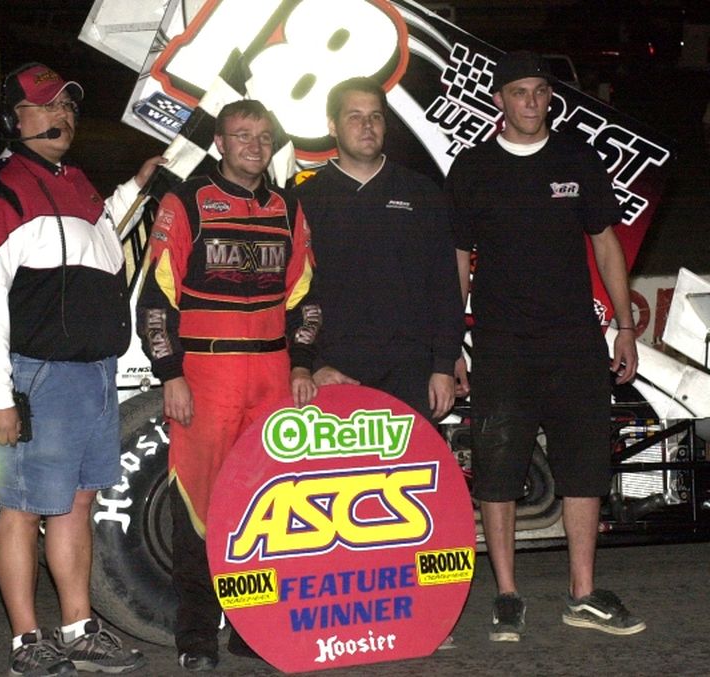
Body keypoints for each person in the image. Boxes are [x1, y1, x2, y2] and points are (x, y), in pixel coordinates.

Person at [0, 62, 160, 676]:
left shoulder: (78, 181)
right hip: (36, 377)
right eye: (44, 107)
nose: (61, 117)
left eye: (67, 107)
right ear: (11, 119)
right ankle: (28, 641)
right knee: (21, 508)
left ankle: (78, 629)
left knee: (75, 504)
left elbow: (100, 235)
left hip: (95, 372)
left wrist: (138, 186)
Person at [444, 51, 646, 642]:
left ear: (548, 99)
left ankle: (583, 593)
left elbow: (606, 243)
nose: (531, 101)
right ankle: (507, 595)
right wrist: (451, 340)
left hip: (576, 343)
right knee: (497, 471)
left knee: (584, 466)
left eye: (539, 92)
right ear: (499, 100)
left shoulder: (577, 159)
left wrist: (625, 327)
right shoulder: (473, 168)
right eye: (519, 92)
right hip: (502, 345)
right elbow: (457, 257)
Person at [135, 99, 320, 672]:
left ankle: (251, 626)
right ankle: (196, 635)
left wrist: (303, 364)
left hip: (271, 374)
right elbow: (156, 301)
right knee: (198, 504)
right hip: (207, 376)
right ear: (220, 142)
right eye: (243, 135)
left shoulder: (289, 206)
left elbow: (305, 296)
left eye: (264, 137)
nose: (255, 146)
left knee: (265, 505)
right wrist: (171, 374)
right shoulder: (186, 200)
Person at [295, 76, 464, 422]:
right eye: (354, 116)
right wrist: (311, 365)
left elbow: (445, 285)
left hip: (411, 373)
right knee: (338, 477)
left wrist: (444, 364)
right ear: (332, 125)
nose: (367, 125)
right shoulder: (304, 200)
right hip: (334, 371)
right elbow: (289, 294)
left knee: (406, 476)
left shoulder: (422, 192)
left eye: (375, 116)